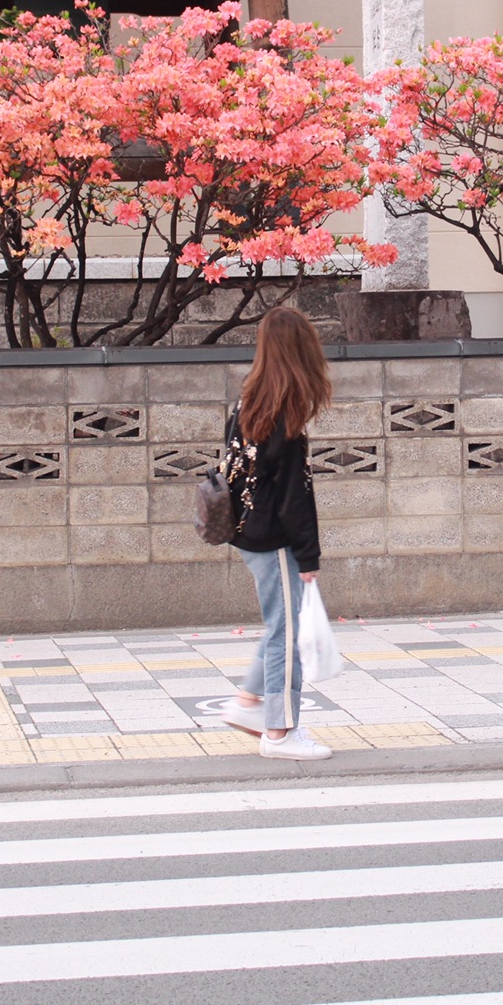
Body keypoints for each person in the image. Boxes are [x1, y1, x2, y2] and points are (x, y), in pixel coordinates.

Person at [218, 306, 332, 761]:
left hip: (248, 532)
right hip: (275, 539)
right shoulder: (284, 416)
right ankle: (280, 734)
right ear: (301, 350)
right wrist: (309, 558)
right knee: (287, 636)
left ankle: (248, 704)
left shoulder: (250, 401)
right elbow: (293, 496)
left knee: (279, 626)